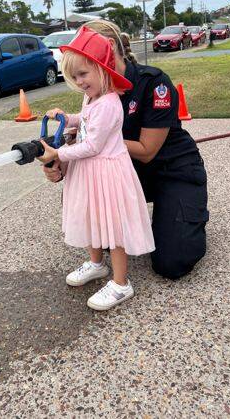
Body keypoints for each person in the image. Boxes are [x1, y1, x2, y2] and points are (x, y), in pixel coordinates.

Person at [44, 20, 209, 280]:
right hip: (126, 172)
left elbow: (146, 150)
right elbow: (84, 134)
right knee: (90, 214)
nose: (79, 78)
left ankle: (180, 212)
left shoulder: (154, 83)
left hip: (172, 170)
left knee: (172, 262)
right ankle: (142, 221)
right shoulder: (94, 87)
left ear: (107, 47)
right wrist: (60, 166)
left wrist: (94, 142)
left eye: (83, 66)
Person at [37, 26, 155, 311]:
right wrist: (69, 118)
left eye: (83, 75)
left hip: (107, 174)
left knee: (113, 228)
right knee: (91, 218)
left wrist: (58, 152)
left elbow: (92, 146)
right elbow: (86, 120)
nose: (79, 82)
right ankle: (95, 264)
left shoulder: (111, 104)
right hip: (91, 173)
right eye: (74, 77)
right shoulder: (92, 98)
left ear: (103, 69)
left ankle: (120, 282)